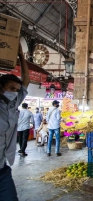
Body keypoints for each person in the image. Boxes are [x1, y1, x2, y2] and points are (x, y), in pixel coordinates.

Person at [0, 44, 30, 200]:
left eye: (16, 90)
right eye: (11, 88)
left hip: (2, 169)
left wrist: (21, 56)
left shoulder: (13, 105)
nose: (14, 93)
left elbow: (26, 80)